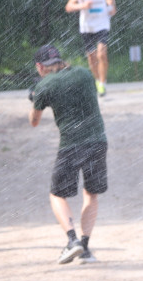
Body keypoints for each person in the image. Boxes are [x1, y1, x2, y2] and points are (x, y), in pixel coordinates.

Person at [28, 44, 108, 265]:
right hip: (98, 141)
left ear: (40, 66)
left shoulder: (45, 85)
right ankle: (85, 247)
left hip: (71, 145)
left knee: (57, 194)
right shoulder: (84, 73)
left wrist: (35, 97)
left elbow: (33, 122)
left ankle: (72, 240)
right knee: (91, 194)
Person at [65, 0, 116, 96]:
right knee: (92, 57)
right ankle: (97, 80)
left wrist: (111, 7)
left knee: (101, 54)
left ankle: (103, 83)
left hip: (102, 24)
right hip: (87, 27)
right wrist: (82, 6)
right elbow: (69, 6)